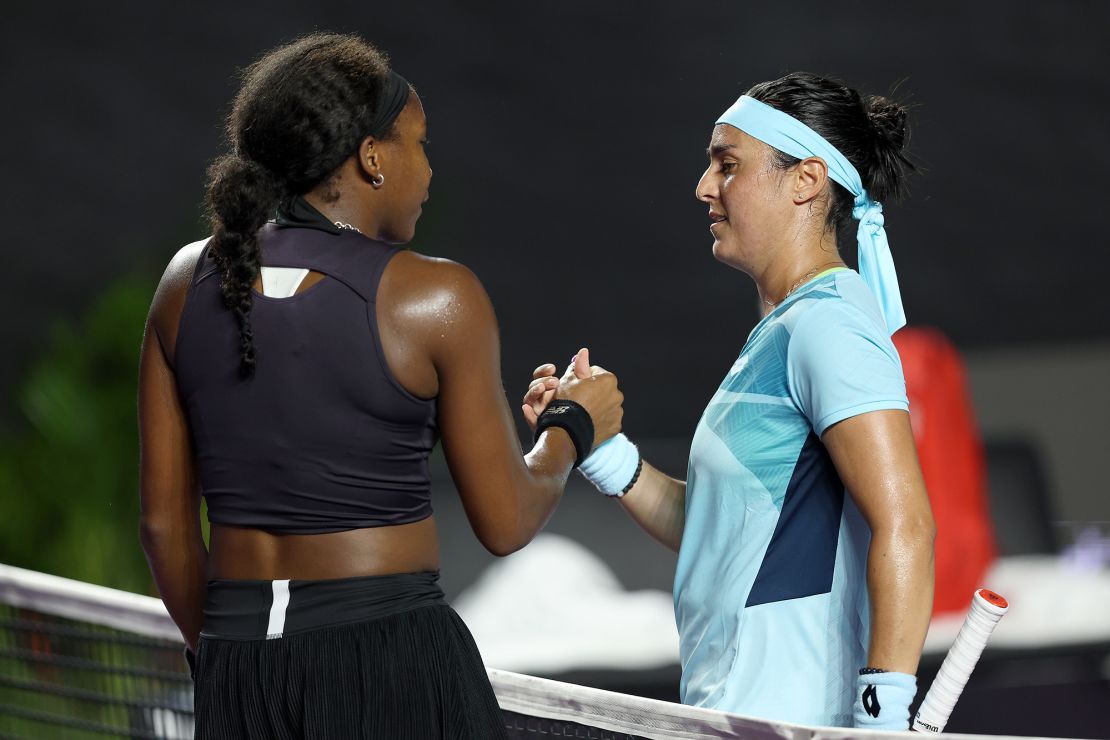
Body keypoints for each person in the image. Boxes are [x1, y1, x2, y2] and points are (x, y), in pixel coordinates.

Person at [137, 33, 623, 739]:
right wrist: (572, 427)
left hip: (237, 668)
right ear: (371, 156)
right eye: (419, 145)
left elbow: (162, 529)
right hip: (395, 669)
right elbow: (507, 520)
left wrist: (221, 661)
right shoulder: (437, 298)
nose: (428, 170)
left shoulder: (183, 284)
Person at [524, 72, 935, 730]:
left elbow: (906, 524)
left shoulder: (831, 327)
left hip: (788, 716)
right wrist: (602, 450)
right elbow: (720, 529)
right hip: (734, 711)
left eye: (728, 164)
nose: (704, 187)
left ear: (805, 181)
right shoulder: (786, 329)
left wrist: (880, 718)